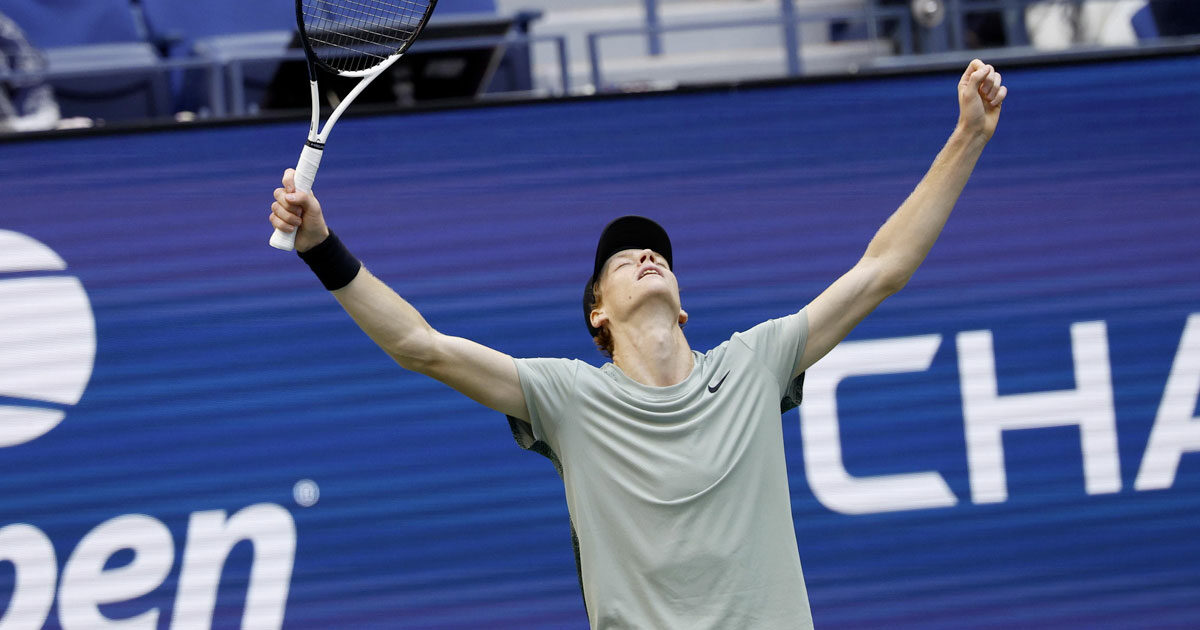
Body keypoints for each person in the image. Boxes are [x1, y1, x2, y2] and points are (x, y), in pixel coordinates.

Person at [268, 59, 1007, 629]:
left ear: (684, 310)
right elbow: (419, 345)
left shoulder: (754, 364)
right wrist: (320, 246)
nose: (647, 258)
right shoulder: (570, 398)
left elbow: (882, 269)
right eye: (623, 260)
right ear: (598, 315)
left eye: (658, 256)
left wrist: (967, 136)